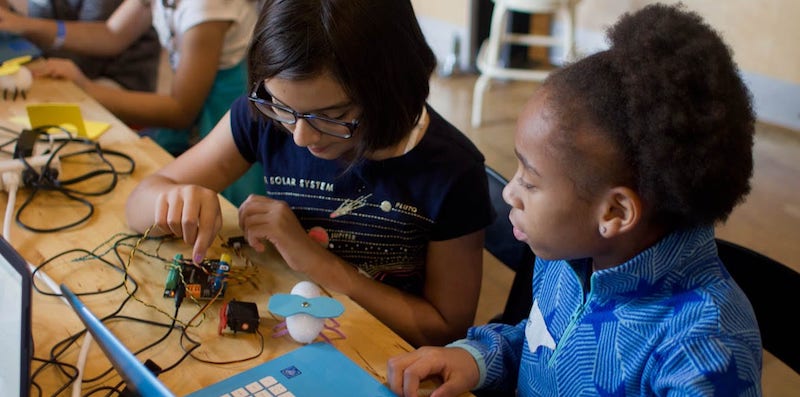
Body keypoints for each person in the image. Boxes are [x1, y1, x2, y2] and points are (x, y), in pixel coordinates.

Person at [386, 3, 762, 396]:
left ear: (614, 212)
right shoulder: (567, 253)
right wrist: (479, 358)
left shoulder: (703, 349)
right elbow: (540, 345)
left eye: (530, 182)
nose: (510, 193)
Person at [124, 0, 494, 348]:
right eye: (283, 107)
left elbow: (445, 328)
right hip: (289, 333)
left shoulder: (451, 171)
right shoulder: (265, 117)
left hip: (380, 353)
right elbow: (138, 203)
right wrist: (172, 200)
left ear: (389, 86)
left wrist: (322, 265)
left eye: (331, 116)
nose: (300, 136)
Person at [0, 0, 264, 205]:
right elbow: (111, 34)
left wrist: (87, 88)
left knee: (219, 213)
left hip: (228, 126)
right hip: (199, 115)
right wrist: (23, 25)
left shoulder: (206, 9)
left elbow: (180, 110)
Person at [26, 0, 161, 92]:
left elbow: (89, 59)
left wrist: (26, 26)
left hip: (115, 78)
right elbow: (111, 34)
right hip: (73, 64)